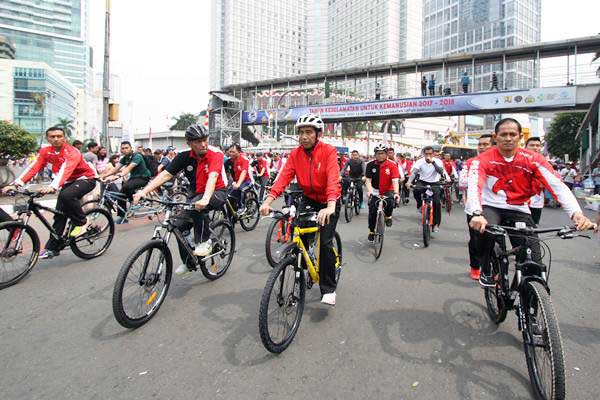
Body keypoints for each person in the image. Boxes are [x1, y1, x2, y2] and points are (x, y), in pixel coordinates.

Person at [467, 118, 596, 287]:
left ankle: (529, 299)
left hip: (519, 209)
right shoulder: (482, 159)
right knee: (485, 231)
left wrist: (577, 214)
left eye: (512, 134)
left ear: (520, 136)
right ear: (495, 137)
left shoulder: (533, 159)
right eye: (503, 134)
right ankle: (488, 268)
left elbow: (558, 186)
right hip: (491, 207)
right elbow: (474, 184)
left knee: (533, 259)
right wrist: (476, 213)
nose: (508, 138)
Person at [259, 113, 342, 306]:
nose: (304, 137)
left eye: (308, 132)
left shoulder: (328, 151)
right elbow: (283, 177)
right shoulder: (295, 154)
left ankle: (328, 288)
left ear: (317, 134)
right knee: (301, 238)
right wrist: (268, 201)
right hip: (310, 198)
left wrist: (330, 206)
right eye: (301, 133)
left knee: (325, 243)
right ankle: (304, 266)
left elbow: (332, 179)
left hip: (330, 201)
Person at [133, 124, 227, 275]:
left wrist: (205, 199)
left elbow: (213, 177)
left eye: (205, 140)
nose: (203, 144)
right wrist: (143, 191)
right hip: (195, 193)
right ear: (189, 143)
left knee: (198, 207)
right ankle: (189, 262)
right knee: (178, 226)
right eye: (197, 141)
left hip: (217, 191)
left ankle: (205, 241)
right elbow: (166, 175)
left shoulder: (215, 153)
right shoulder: (184, 156)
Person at [1, 127, 97, 259]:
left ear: (65, 138)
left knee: (66, 195)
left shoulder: (71, 151)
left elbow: (66, 169)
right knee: (59, 216)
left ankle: (83, 221)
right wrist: (16, 184)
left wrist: (53, 187)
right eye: (52, 136)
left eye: (59, 136)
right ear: (48, 138)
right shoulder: (46, 151)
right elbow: (34, 167)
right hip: (67, 182)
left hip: (86, 179)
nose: (56, 139)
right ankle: (52, 248)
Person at [459, 134, 494, 280]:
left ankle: (493, 268)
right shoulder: (471, 162)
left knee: (494, 240)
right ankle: (475, 266)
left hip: (495, 207)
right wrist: (478, 177)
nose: (482, 147)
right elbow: (462, 182)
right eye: (480, 144)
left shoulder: (499, 161)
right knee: (476, 240)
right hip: (474, 206)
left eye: (486, 144)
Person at [100, 141, 151, 224]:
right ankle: (122, 217)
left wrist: (118, 176)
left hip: (143, 178)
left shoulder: (137, 156)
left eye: (126, 148)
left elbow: (128, 169)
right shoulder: (124, 158)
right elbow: (115, 169)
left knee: (127, 186)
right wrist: (103, 176)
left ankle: (137, 201)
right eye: (123, 148)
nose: (124, 150)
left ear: (131, 148)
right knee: (120, 195)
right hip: (133, 178)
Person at [407, 146, 450, 232]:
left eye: (430, 154)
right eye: (426, 154)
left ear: (433, 154)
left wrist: (433, 162)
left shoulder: (438, 161)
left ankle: (435, 224)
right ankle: (419, 205)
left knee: (437, 203)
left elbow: (441, 172)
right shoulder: (420, 161)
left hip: (435, 183)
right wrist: (409, 182)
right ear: (424, 154)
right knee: (416, 190)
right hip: (422, 181)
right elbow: (414, 172)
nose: (428, 155)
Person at [365, 144, 401, 240]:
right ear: (375, 155)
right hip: (375, 190)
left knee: (390, 201)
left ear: (386, 154)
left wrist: (396, 193)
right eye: (378, 153)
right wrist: (369, 191)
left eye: (382, 153)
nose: (380, 155)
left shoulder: (392, 165)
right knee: (372, 211)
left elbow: (395, 180)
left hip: (388, 190)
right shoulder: (370, 165)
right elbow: (368, 180)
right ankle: (371, 231)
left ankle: (388, 216)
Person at [227, 143, 253, 214]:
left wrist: (238, 184)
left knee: (242, 190)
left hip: (247, 181)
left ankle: (242, 207)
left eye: (233, 152)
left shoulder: (244, 159)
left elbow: (243, 172)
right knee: (229, 196)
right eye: (230, 152)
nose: (230, 154)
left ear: (239, 152)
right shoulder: (231, 160)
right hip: (237, 182)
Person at [525, 137, 544, 225]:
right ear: (526, 147)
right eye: (532, 145)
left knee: (533, 226)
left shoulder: (544, 164)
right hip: (521, 202)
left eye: (537, 145)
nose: (535, 148)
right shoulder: (518, 162)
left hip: (537, 202)